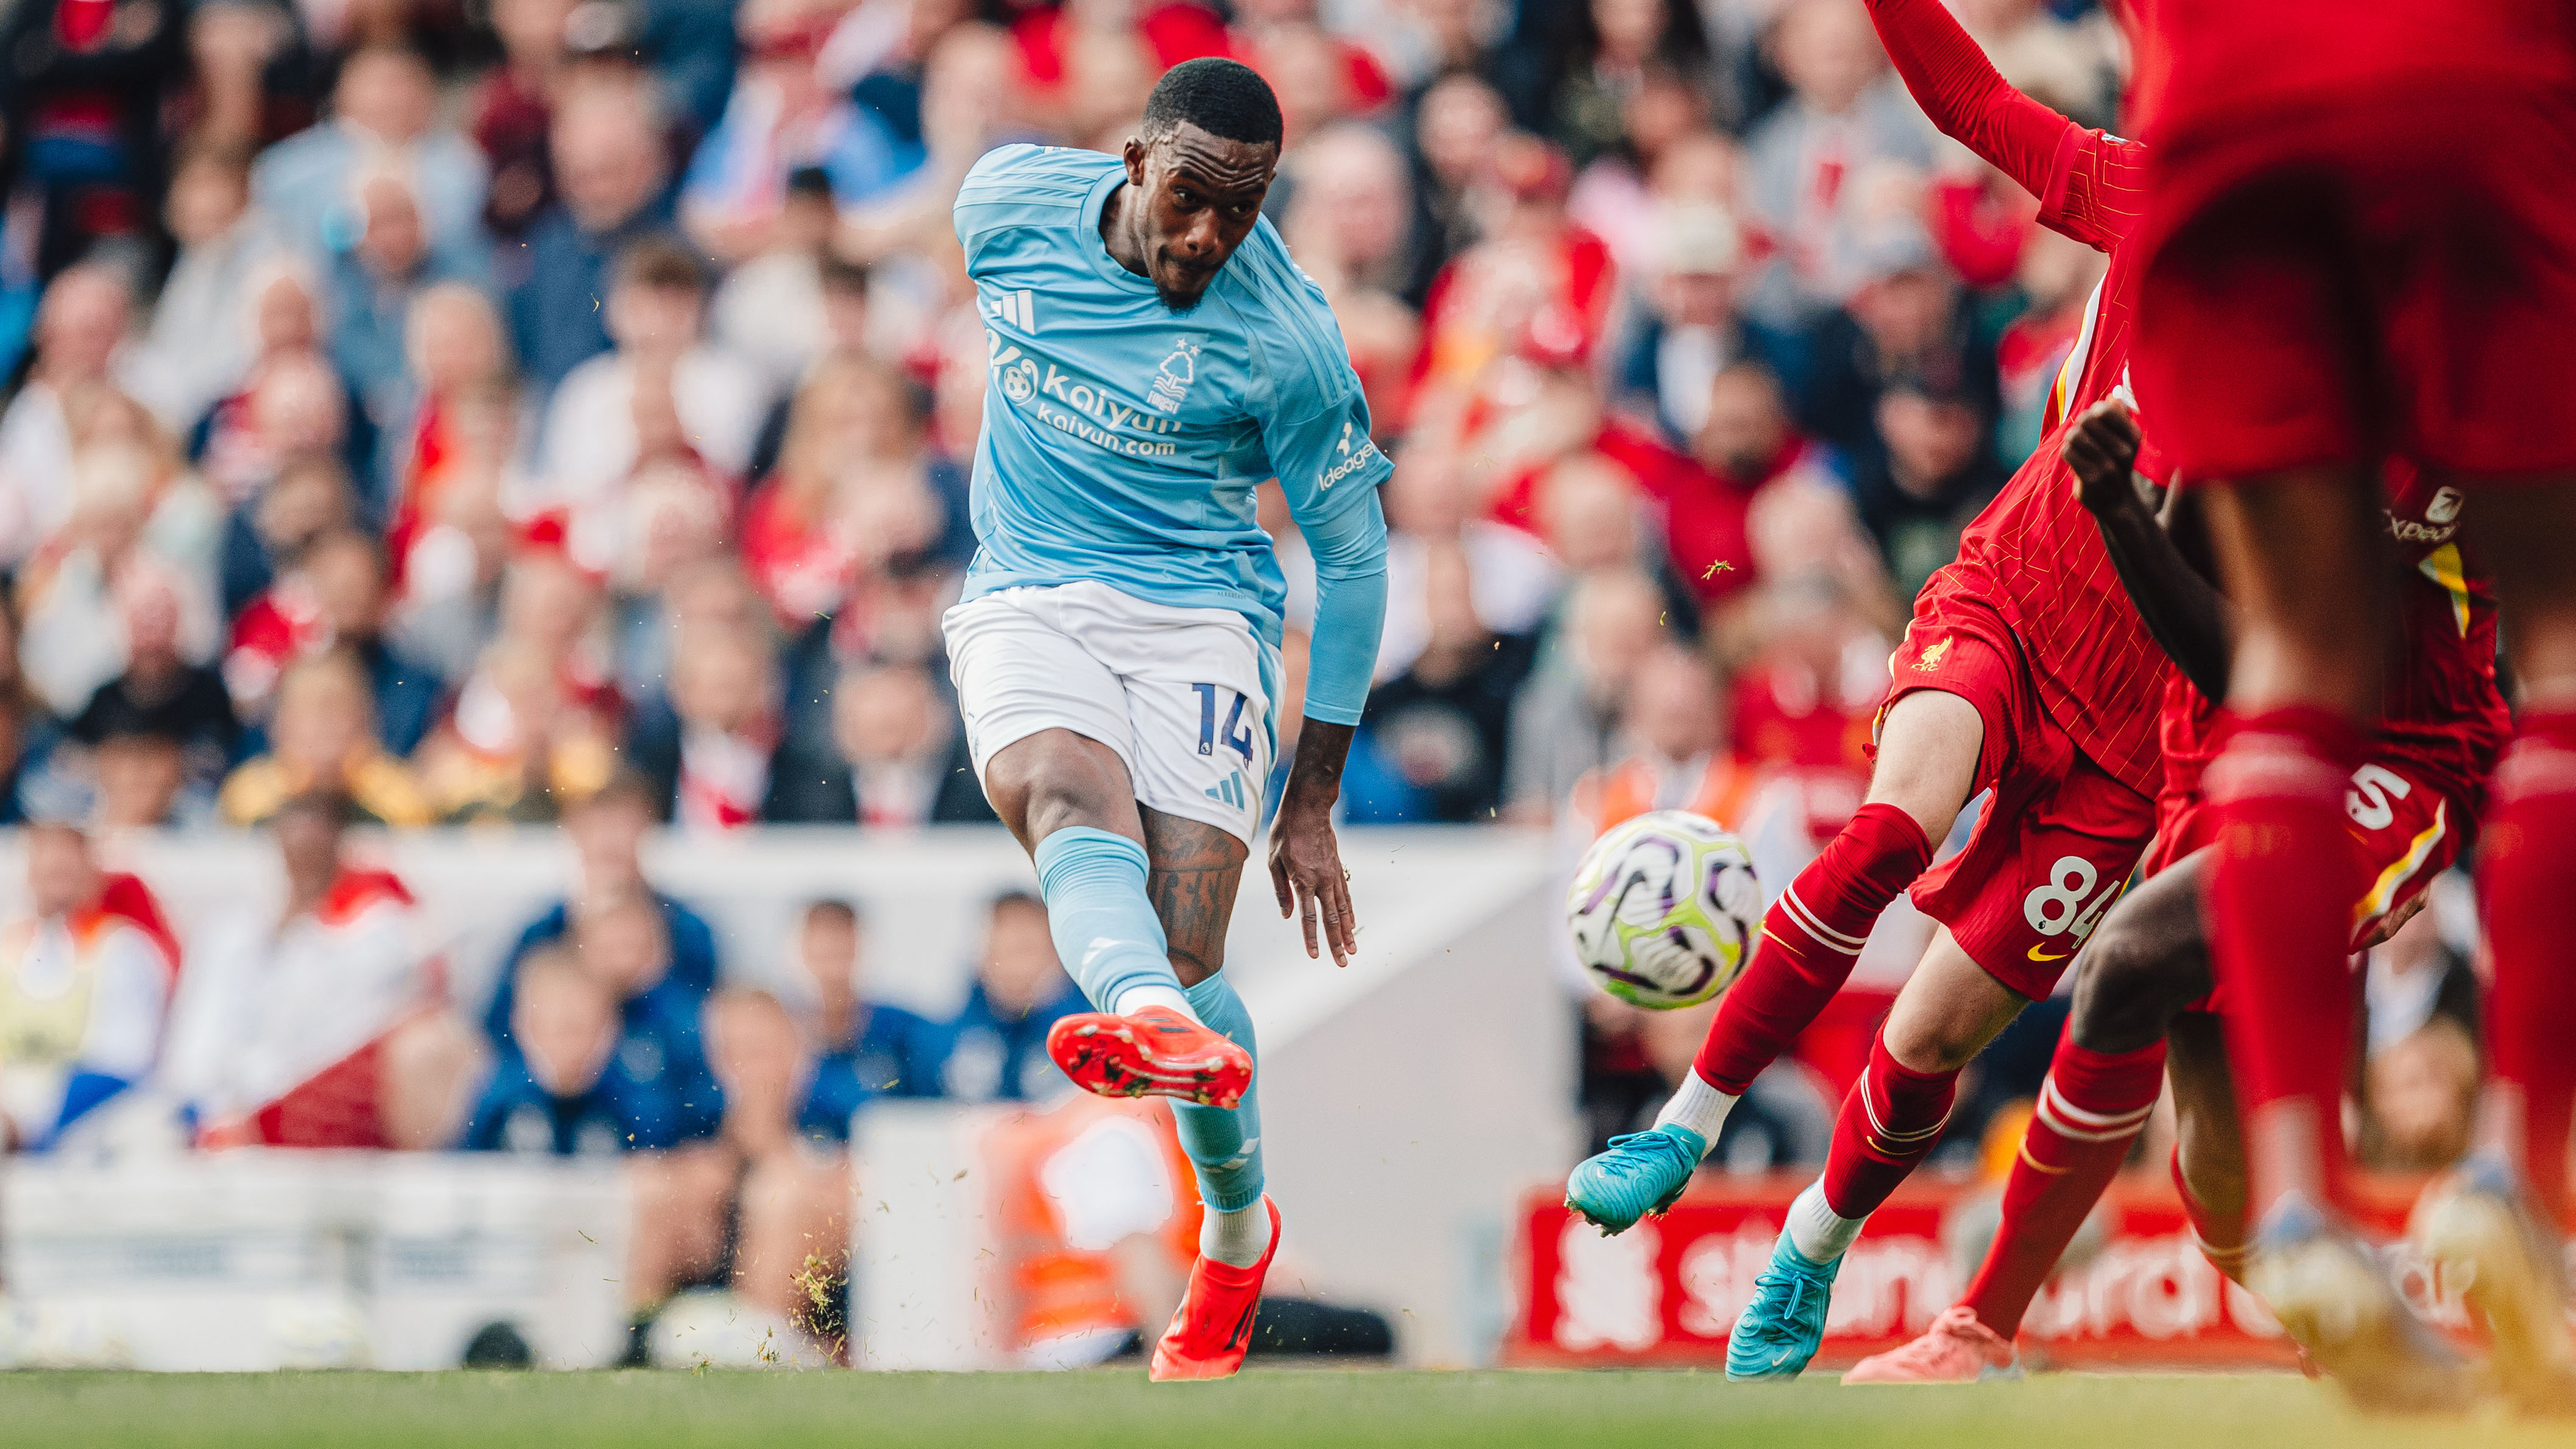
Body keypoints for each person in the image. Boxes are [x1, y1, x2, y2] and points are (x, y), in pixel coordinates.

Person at [1559, 0, 2179, 1383]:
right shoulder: (2153, 197)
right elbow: (1970, 109)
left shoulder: (2339, 346)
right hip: (2016, 596)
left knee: (1934, 1031)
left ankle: (1809, 1242)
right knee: (1895, 821)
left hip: (2139, 729)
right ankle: (1686, 1116)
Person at [1844, 401, 2509, 1395]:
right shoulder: (2262, 370)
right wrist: (2134, 506)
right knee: (2218, 1187)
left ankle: (1976, 1328)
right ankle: (2382, 1348)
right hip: (2216, 749)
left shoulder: (2446, 408)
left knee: (2131, 957)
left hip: (2385, 753)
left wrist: (2120, 512)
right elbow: (2222, 630)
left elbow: (2266, 659)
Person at [2117, 0, 2576, 1409]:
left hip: (2213, 95)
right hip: (2465, 71)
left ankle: (2306, 1209)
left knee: (2293, 670)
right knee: (2561, 645)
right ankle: (2517, 1183)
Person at [940, 59, 1389, 1381]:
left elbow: (1352, 564)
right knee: (1063, 797)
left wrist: (1309, 799)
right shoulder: (1004, 206)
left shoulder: (1287, 338)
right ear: (1136, 159)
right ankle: (1132, 1005)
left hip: (1201, 620)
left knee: (1194, 958)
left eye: (1238, 215)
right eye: (1190, 197)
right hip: (1028, 591)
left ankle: (1238, 1231)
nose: (1206, 235)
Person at [0, 822, 179, 1153]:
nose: (55, 877)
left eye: (66, 868)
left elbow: (121, 1062)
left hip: (77, 1131)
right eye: (46, 866)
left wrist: (28, 1127)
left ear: (91, 874)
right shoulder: (8, 947)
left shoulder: (124, 951)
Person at [936, 891, 1087, 1104]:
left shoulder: (1089, 1037)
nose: (1014, 968)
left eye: (1025, 950)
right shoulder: (946, 1037)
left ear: (1055, 955)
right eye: (1000, 950)